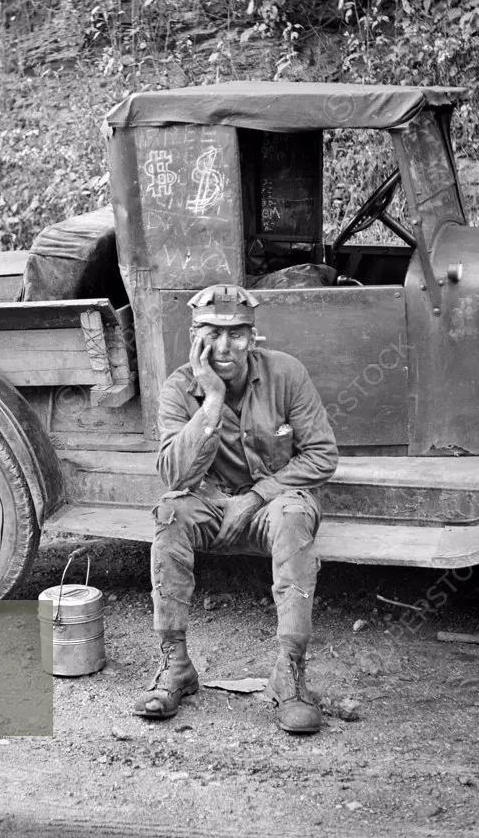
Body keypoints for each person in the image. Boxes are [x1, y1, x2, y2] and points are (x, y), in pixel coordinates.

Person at [132, 283, 338, 733]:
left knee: (294, 516)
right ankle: (176, 666)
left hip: (273, 501)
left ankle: (290, 676)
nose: (224, 347)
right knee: (170, 513)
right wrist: (211, 401)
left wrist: (258, 496)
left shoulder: (286, 374)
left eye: (237, 334)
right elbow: (176, 477)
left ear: (253, 335)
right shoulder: (179, 388)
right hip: (208, 500)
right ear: (194, 335)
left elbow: (321, 455)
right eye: (211, 333)